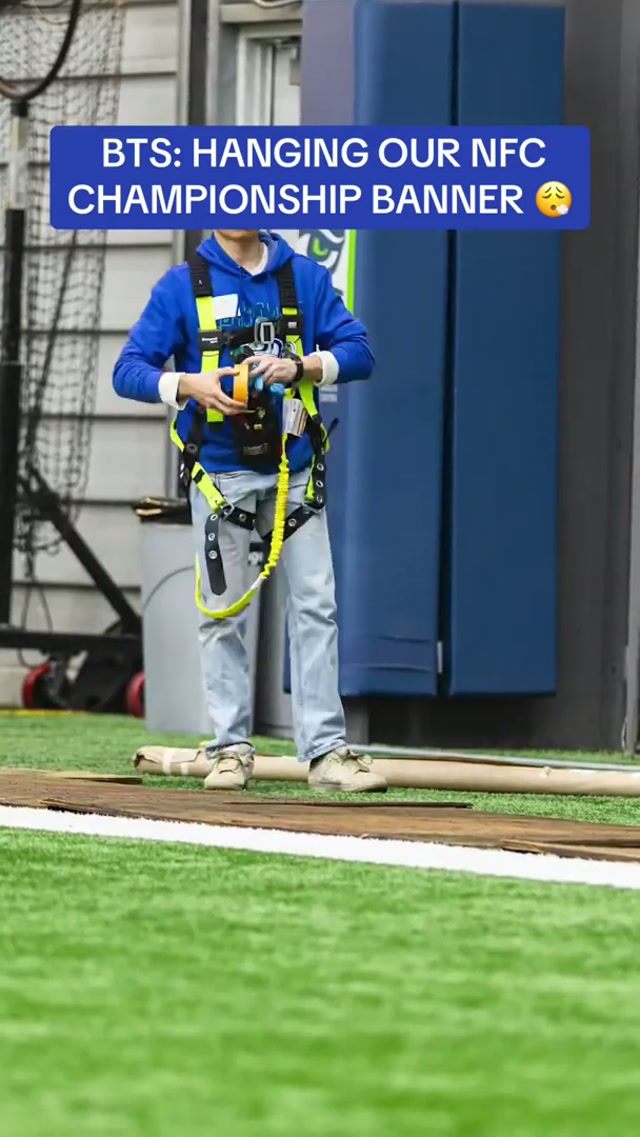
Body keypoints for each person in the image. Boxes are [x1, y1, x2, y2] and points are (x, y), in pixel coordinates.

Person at [113, 228, 387, 794]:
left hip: (296, 473)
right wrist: (188, 383)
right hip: (221, 477)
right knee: (221, 616)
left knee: (316, 607)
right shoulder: (181, 287)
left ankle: (326, 755)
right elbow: (128, 369)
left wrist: (303, 366)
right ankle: (230, 751)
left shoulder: (305, 279)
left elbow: (360, 353)